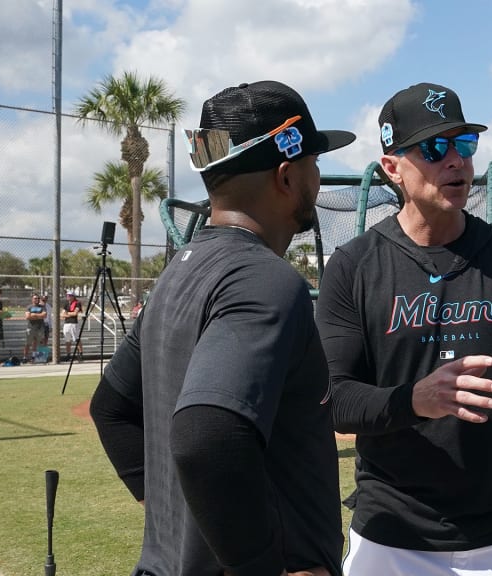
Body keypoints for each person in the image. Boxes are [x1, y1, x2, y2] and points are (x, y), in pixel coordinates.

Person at [89, 80, 355, 576]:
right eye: (313, 163)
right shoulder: (265, 280)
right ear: (286, 175)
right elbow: (206, 435)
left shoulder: (180, 271)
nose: (318, 179)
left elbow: (111, 407)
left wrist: (178, 512)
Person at [315, 82, 492, 576]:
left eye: (464, 145)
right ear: (392, 168)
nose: (456, 162)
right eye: (433, 148)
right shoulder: (354, 267)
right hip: (391, 537)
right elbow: (334, 400)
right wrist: (414, 400)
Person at [24, 294, 47, 362]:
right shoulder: (29, 307)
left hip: (40, 328)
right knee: (28, 343)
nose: (36, 299)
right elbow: (27, 316)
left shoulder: (42, 307)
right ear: (32, 299)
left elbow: (44, 315)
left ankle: (37, 358)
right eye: (34, 298)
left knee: (39, 342)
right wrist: (39, 316)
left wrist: (34, 315)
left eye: (37, 298)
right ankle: (25, 357)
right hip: (31, 327)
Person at [61, 291, 83, 360]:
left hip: (73, 323)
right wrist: (68, 314)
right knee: (67, 340)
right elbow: (62, 314)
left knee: (76, 339)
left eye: (70, 295)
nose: (68, 297)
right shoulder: (66, 304)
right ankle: (68, 355)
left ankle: (80, 353)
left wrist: (67, 314)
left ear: (73, 296)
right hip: (66, 323)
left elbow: (75, 313)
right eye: (68, 295)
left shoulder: (77, 303)